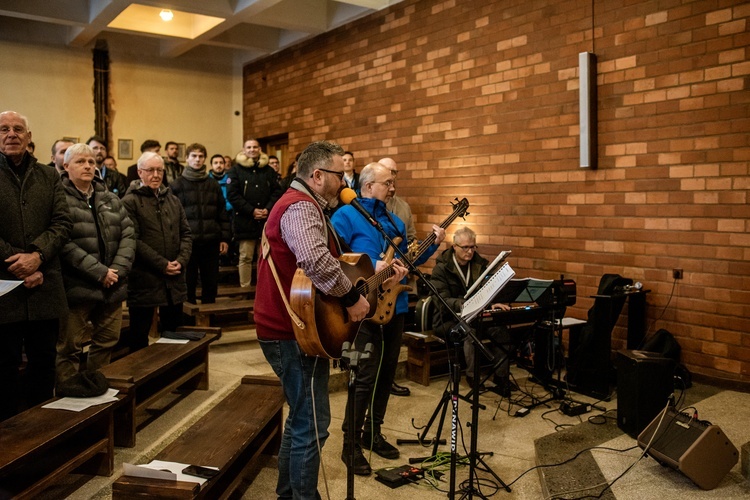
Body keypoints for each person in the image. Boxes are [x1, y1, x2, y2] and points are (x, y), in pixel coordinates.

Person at [254, 140, 370, 499]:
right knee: (314, 425)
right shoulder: (300, 207)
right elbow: (316, 262)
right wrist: (351, 298)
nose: (345, 183)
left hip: (300, 327)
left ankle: (288, 494)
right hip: (291, 331)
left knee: (302, 419)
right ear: (317, 176)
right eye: (340, 175)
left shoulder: (303, 204)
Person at [331, 162, 444, 475]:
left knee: (386, 374)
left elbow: (410, 258)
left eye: (393, 183)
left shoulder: (392, 221)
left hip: (397, 305)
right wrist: (371, 267)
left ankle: (373, 433)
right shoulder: (344, 216)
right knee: (363, 376)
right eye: (388, 183)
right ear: (368, 186)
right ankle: (349, 444)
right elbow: (333, 258)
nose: (393, 188)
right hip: (361, 307)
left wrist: (431, 243)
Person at [0, 111, 72, 421]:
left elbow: (62, 222)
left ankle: (41, 430)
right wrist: (18, 262)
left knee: (44, 361)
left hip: (45, 286)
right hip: (4, 287)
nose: (11, 134)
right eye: (4, 129)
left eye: (18, 129)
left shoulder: (49, 175)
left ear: (30, 137)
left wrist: (38, 257)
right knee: (4, 364)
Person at [56, 143, 135, 384]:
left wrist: (117, 271)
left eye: (91, 162)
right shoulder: (57, 197)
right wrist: (99, 272)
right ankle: (67, 393)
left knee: (107, 341)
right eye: (81, 161)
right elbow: (63, 242)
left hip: (112, 285)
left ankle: (96, 386)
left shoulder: (109, 197)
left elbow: (128, 234)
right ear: (66, 166)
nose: (88, 166)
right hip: (77, 286)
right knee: (69, 347)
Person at [430, 227, 514, 395]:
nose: (470, 251)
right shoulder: (441, 268)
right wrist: (465, 305)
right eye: (465, 247)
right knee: (470, 332)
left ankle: (501, 377)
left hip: (475, 315)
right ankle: (472, 377)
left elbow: (486, 289)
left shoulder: (479, 264)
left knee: (500, 330)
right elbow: (442, 300)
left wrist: (492, 304)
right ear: (454, 246)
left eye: (473, 247)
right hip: (448, 319)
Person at [122, 152, 192, 352]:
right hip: (145, 278)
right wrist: (162, 265)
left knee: (173, 334)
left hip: (174, 278)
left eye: (159, 170)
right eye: (150, 170)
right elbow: (133, 240)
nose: (155, 174)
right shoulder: (130, 201)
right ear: (139, 172)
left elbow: (186, 233)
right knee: (139, 335)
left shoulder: (172, 200)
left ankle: (172, 376)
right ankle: (139, 378)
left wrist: (181, 260)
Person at [170, 144, 230, 305]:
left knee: (210, 281)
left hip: (211, 240)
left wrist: (224, 238)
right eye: (194, 156)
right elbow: (171, 216)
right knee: (188, 282)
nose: (197, 159)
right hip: (188, 242)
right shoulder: (176, 185)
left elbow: (222, 213)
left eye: (201, 156)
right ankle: (188, 320)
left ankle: (209, 318)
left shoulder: (212, 184)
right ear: (187, 158)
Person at [378, 157, 416, 397]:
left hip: (397, 280)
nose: (393, 180)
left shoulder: (403, 207)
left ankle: (388, 381)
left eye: (395, 174)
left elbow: (411, 238)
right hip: (375, 283)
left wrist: (411, 257)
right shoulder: (364, 208)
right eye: (388, 174)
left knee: (393, 343)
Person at [226, 139, 283, 288]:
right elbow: (233, 195)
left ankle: (262, 289)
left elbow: (277, 192)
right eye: (249, 147)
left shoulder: (268, 170)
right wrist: (251, 211)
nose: (252, 150)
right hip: (245, 220)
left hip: (265, 221)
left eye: (255, 147)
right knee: (245, 257)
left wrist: (268, 209)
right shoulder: (235, 170)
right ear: (243, 150)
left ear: (260, 149)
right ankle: (245, 288)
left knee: (264, 256)